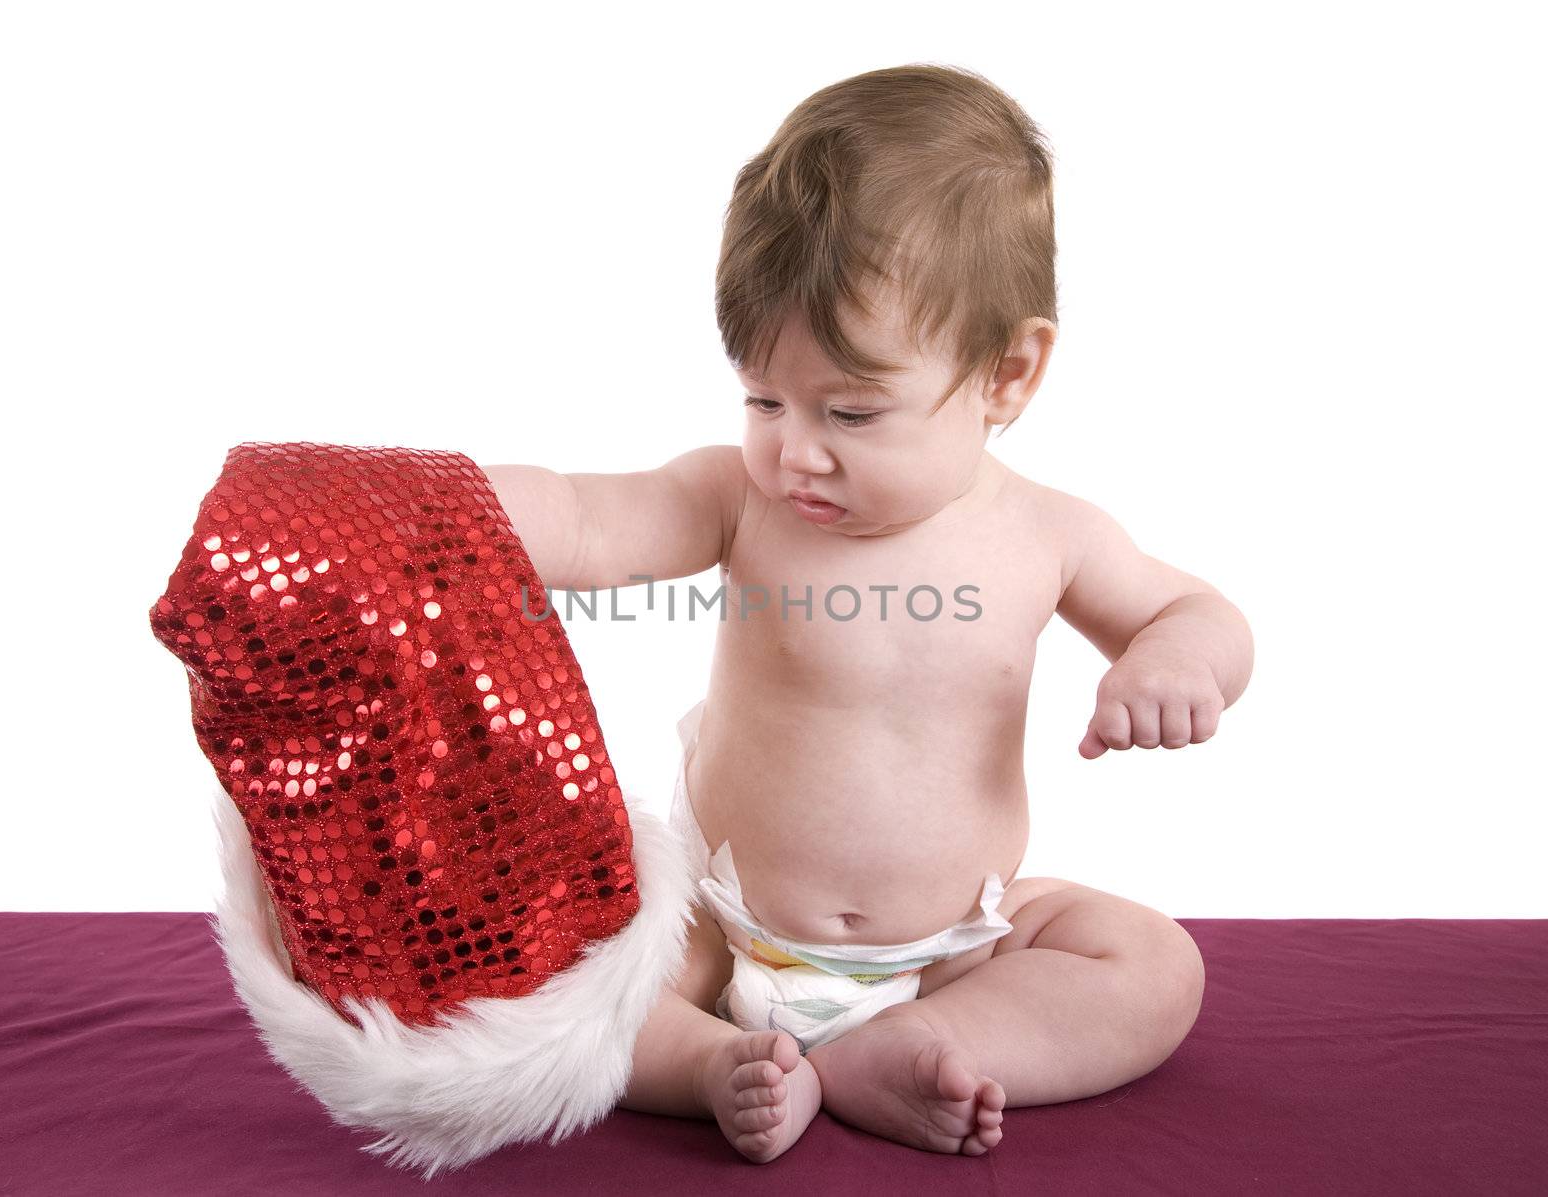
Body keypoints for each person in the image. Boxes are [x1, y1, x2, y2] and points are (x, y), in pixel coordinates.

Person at [484, 63, 1253, 1163]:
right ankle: (711, 1064)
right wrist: (443, 507)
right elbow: (586, 518)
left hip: (956, 948)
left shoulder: (1049, 535)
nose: (795, 447)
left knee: (1150, 967)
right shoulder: (737, 496)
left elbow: (1193, 609)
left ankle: (918, 1041)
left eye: (850, 410)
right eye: (762, 397)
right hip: (723, 919)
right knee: (570, 969)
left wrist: (1174, 660)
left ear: (1006, 374)